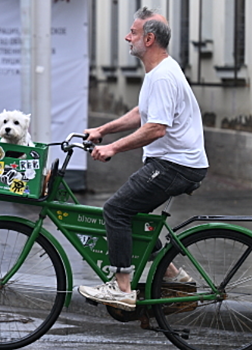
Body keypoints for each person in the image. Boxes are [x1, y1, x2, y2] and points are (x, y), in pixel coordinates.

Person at [78, 7, 209, 310]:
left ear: (149, 39)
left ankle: (122, 288)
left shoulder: (162, 76)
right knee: (137, 222)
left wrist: (113, 148)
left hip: (176, 165)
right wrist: (103, 130)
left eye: (133, 33)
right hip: (173, 163)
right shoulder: (158, 71)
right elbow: (142, 114)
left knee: (116, 210)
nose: (127, 37)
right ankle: (176, 279)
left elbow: (155, 129)